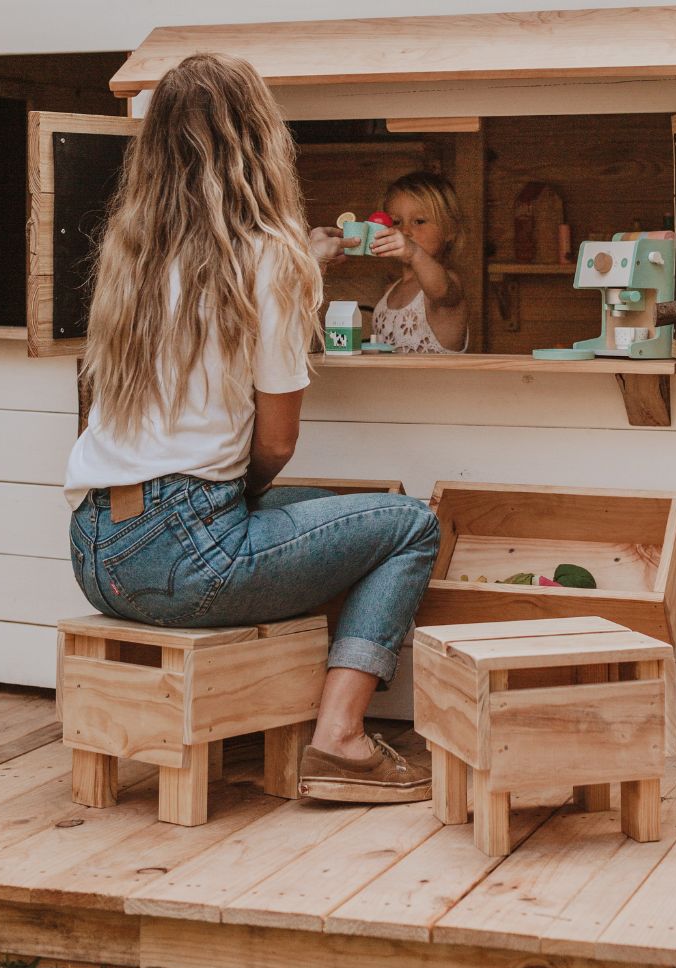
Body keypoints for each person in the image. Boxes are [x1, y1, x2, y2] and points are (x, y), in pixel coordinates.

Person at [63, 53, 438, 804]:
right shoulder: (270, 256)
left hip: (95, 548)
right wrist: (301, 271)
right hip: (187, 556)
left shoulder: (131, 251)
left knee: (319, 505)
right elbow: (274, 444)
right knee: (406, 525)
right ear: (258, 142)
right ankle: (338, 738)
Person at [369, 172, 468, 353]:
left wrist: (414, 253)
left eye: (419, 221)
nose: (405, 230)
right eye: (396, 222)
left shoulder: (448, 283)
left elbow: (440, 290)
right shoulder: (390, 290)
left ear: (450, 230)